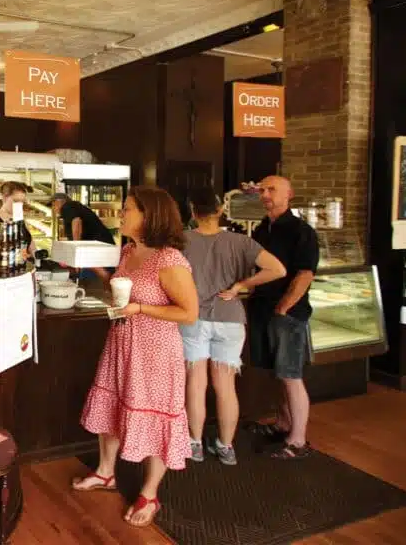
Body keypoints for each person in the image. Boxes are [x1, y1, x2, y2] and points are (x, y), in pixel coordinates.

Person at [73, 186, 199, 528]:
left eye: (127, 209)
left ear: (149, 216)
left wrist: (139, 307)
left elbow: (189, 313)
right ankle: (105, 472)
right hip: (122, 343)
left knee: (156, 418)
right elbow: (122, 285)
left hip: (155, 352)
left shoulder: (169, 259)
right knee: (111, 408)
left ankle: (149, 493)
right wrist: (94, 270)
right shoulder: (129, 250)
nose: (121, 214)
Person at [181, 187, 286, 466]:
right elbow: (278, 269)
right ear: (220, 211)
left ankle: (194, 444)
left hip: (194, 319)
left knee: (196, 383)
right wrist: (241, 285)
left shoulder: (181, 241)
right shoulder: (242, 242)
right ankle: (226, 446)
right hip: (231, 319)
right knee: (225, 386)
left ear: (193, 213)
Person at [247, 175, 320, 460]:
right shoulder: (263, 229)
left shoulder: (301, 231)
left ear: (289, 194)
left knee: (290, 375)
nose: (265, 194)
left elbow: (305, 274)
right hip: (263, 310)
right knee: (279, 375)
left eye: (271, 189)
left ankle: (298, 441)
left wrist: (283, 308)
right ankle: (283, 424)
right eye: (262, 190)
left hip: (287, 315)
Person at [0, 181, 36, 258]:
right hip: (1, 268)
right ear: (4, 198)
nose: (19, 205)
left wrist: (31, 255)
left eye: (22, 202)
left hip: (22, 267)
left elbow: (32, 249)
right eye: (16, 201)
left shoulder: (21, 219)